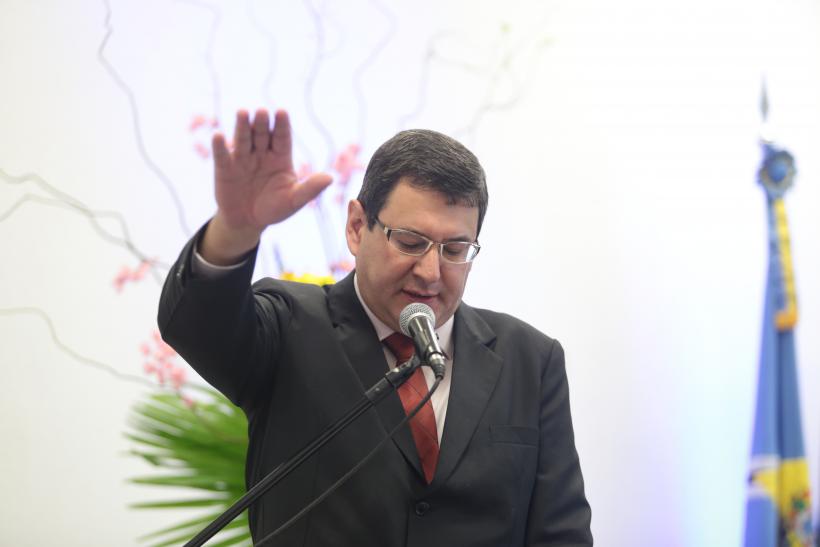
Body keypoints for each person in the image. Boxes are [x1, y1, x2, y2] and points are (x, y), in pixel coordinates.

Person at [158, 108, 592, 546]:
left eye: (455, 249)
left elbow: (562, 534)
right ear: (356, 227)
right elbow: (198, 327)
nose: (430, 272)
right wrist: (235, 231)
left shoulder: (530, 360)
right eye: (410, 242)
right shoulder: (291, 327)